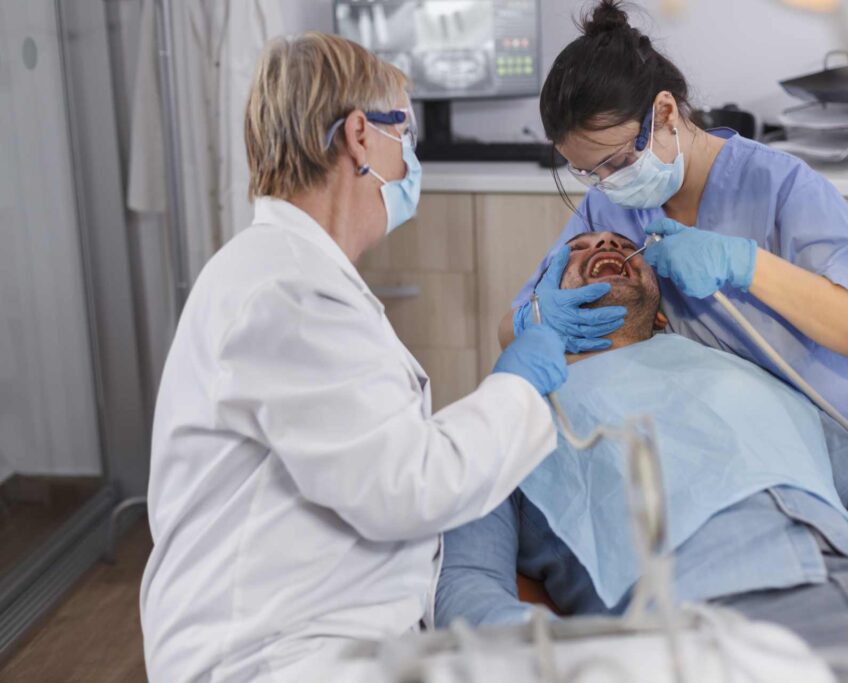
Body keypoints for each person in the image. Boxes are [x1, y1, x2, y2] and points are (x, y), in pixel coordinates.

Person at [140, 33, 577, 682]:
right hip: (276, 657)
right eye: (408, 135)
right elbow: (409, 484)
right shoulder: (285, 292)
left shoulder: (288, 274)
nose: (412, 163)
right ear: (359, 137)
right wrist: (520, 379)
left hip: (316, 627)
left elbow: (381, 453)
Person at [438, 231, 848, 682]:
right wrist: (577, 660)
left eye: (618, 244)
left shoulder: (745, 370)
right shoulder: (507, 409)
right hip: (713, 627)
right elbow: (467, 582)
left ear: (661, 313)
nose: (605, 246)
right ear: (537, 307)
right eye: (579, 250)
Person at [498, 0, 848, 481]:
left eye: (615, 162)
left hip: (830, 449)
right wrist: (538, 316)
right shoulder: (606, 208)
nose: (607, 182)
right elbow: (509, 331)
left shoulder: (782, 189)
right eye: (586, 172)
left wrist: (746, 265)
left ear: (665, 111)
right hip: (716, 458)